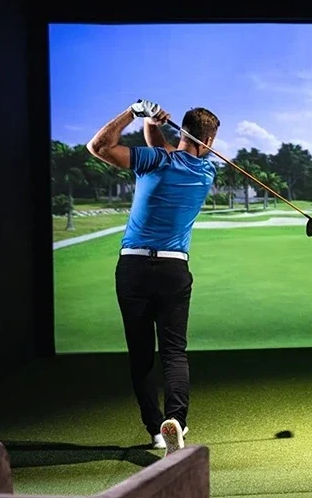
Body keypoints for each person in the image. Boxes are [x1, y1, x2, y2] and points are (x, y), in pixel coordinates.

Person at [86, 100, 220, 456]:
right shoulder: (206, 171)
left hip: (133, 268)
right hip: (174, 270)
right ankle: (176, 419)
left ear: (183, 132)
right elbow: (163, 149)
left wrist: (135, 113)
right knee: (174, 352)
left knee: (142, 354)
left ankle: (155, 431)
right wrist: (151, 123)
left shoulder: (157, 161)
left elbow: (98, 147)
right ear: (205, 141)